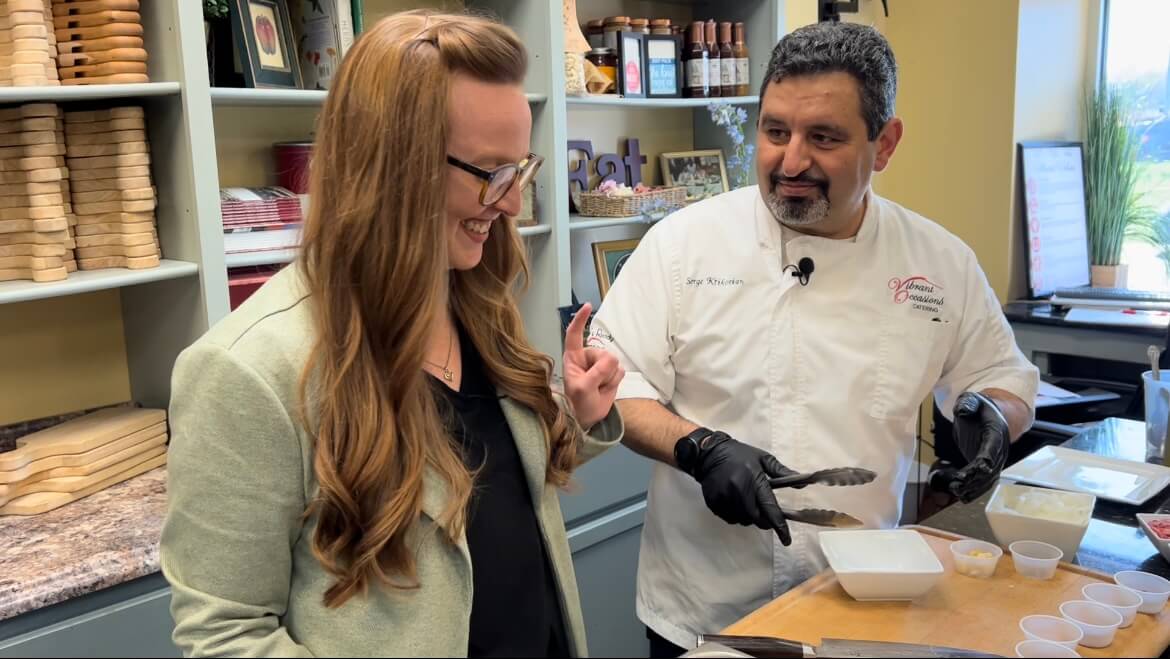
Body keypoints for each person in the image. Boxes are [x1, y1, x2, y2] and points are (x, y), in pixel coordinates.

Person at [161, 11, 624, 658]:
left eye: (519, 169)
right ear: (391, 167)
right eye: (491, 172)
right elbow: (226, 632)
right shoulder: (245, 372)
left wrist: (571, 417)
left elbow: (491, 499)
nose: (514, 202)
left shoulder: (476, 300)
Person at [589, 22, 1039, 657]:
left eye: (823, 138)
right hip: (702, 609)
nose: (790, 161)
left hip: (863, 602)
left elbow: (1004, 375)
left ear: (885, 144)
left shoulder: (939, 262)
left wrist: (993, 415)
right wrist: (699, 449)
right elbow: (611, 385)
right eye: (775, 132)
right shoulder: (683, 244)